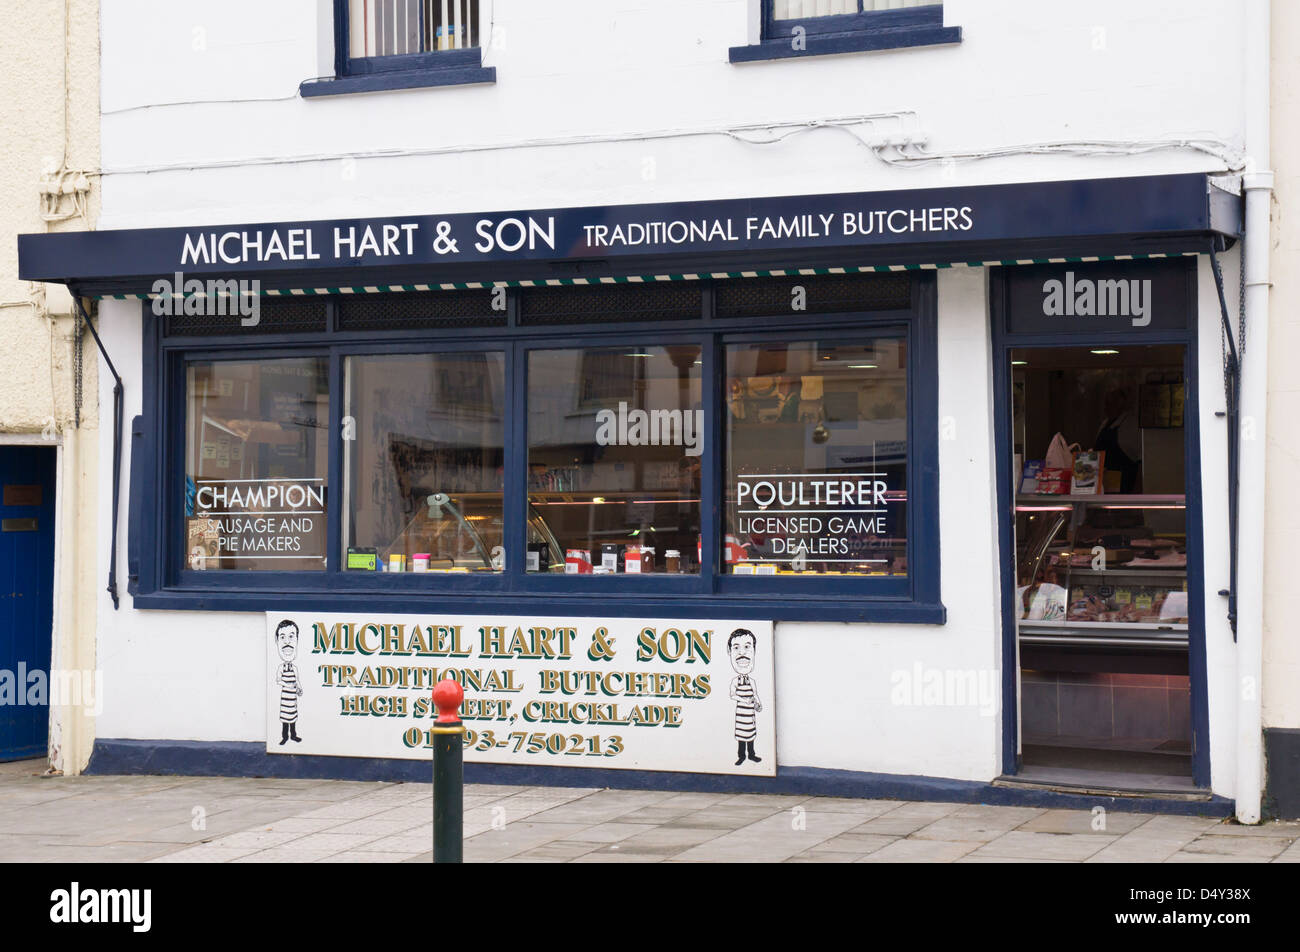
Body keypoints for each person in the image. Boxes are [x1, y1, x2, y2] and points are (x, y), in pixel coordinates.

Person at [1094, 388, 1141, 493]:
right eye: (1106, 403)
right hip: (1103, 484)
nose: (1106, 407)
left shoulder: (1130, 424)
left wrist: (1137, 488)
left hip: (1123, 484)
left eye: (1110, 403)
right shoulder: (1105, 423)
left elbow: (1139, 459)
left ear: (1121, 404)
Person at [727, 628, 762, 765]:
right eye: (736, 647)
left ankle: (751, 754)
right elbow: (732, 695)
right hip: (741, 713)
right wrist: (745, 700)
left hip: (750, 714)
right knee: (742, 736)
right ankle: (741, 756)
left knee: (751, 735)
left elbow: (756, 694)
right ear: (729, 652)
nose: (742, 652)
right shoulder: (735, 681)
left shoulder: (752, 681)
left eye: (747, 647)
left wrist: (758, 704)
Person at [273, 619, 304, 744]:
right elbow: (278, 680)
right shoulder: (281, 667)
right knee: (285, 719)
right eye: (282, 637)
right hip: (285, 697)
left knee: (293, 718)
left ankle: (293, 735)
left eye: (291, 636)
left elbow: (298, 680)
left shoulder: (295, 668)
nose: (287, 641)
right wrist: (288, 685)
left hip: (292, 699)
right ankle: (285, 737)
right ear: (277, 641)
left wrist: (299, 689)